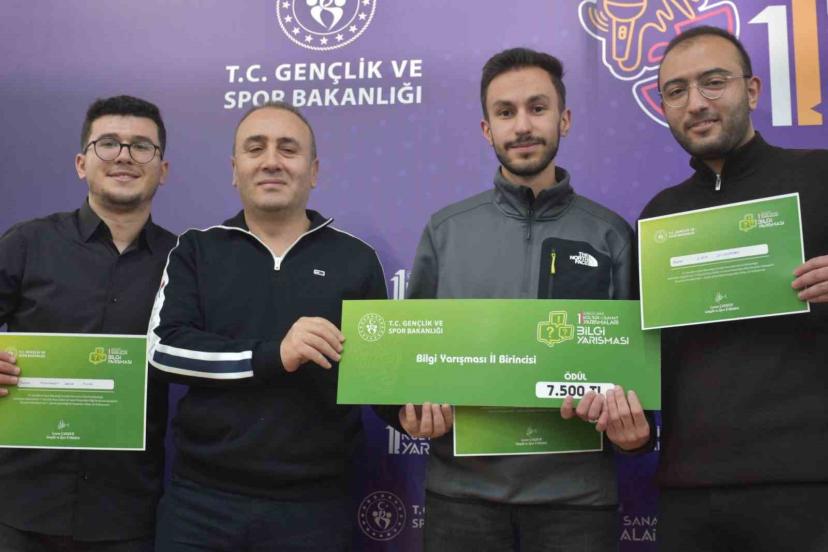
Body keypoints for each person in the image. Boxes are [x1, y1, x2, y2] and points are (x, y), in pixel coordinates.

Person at [396, 48, 651, 551]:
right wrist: (409, 410)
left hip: (577, 502)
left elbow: (636, 373)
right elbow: (409, 363)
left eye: (537, 108)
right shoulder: (445, 231)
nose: (523, 126)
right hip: (462, 497)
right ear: (487, 129)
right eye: (505, 112)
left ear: (564, 119)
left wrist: (636, 430)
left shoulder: (611, 236)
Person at [147, 102, 387, 551]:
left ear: (313, 171)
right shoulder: (196, 250)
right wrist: (276, 354)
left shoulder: (356, 259)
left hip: (315, 508)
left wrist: (411, 413)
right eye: (255, 148)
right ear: (234, 169)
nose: (271, 161)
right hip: (201, 504)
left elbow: (378, 374)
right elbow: (164, 350)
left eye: (288, 149)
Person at [641, 26, 828, 551]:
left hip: (808, 485)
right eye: (676, 91)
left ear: (752, 90)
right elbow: (643, 352)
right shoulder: (659, 216)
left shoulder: (821, 176)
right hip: (689, 492)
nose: (696, 103)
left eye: (713, 82)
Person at [0, 95, 175, 551]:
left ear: (163, 170)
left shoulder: (185, 261)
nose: (124, 155)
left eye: (142, 146)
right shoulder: (27, 243)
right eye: (109, 143)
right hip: (19, 505)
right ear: (82, 163)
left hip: (127, 511)